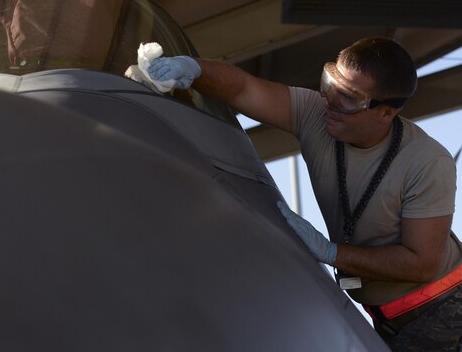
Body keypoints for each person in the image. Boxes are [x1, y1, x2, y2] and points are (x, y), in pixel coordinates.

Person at [146, 37, 462, 351]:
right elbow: (243, 88)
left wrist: (330, 252)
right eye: (330, 82)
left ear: (386, 113)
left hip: (445, 312)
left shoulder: (427, 162)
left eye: (349, 98)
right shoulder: (316, 114)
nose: (331, 100)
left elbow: (422, 263)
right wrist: (195, 70)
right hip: (387, 318)